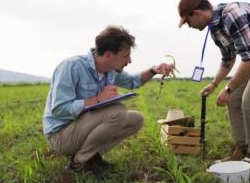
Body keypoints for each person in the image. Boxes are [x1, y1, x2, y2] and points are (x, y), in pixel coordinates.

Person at [177, 0, 250, 171]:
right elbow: (228, 59)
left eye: (188, 21)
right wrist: (215, 84)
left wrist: (229, 89)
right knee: (234, 100)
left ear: (197, 13)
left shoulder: (232, 15)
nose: (189, 26)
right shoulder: (215, 28)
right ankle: (241, 148)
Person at [42, 26, 175, 174]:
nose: (129, 60)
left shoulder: (110, 70)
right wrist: (98, 99)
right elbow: (59, 109)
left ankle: (93, 157)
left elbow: (133, 81)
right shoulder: (71, 67)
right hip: (61, 136)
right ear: (108, 55)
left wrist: (154, 70)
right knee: (118, 111)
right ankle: (78, 163)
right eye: (126, 56)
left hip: (83, 127)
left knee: (136, 119)